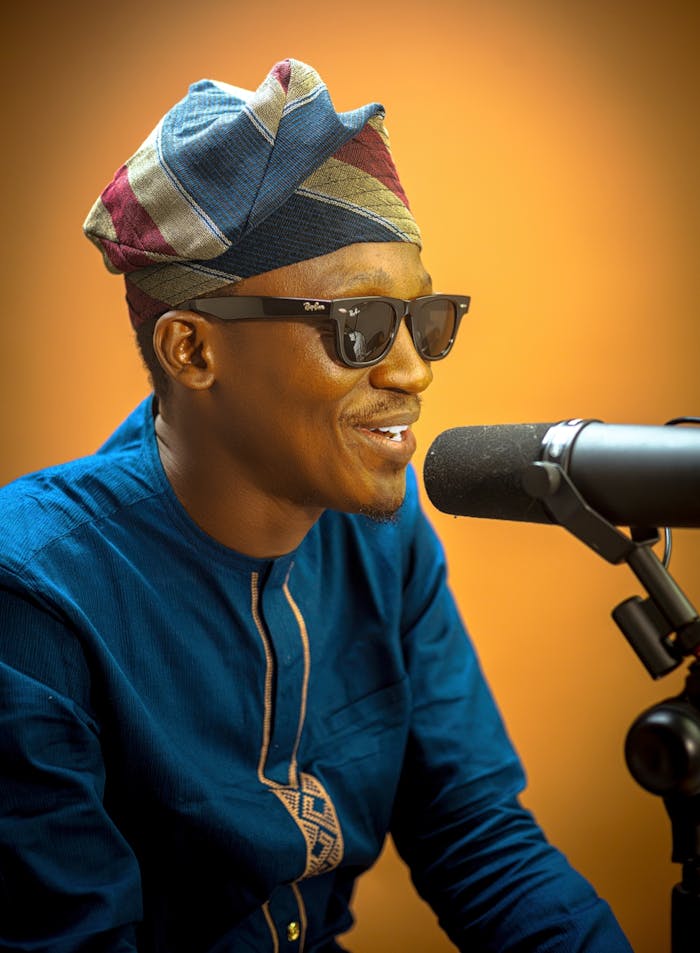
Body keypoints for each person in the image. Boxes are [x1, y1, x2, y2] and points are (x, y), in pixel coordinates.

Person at [0, 59, 633, 952]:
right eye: (359, 328)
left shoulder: (386, 532)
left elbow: (474, 832)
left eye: (428, 321)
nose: (413, 371)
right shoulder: (35, 599)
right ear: (191, 350)